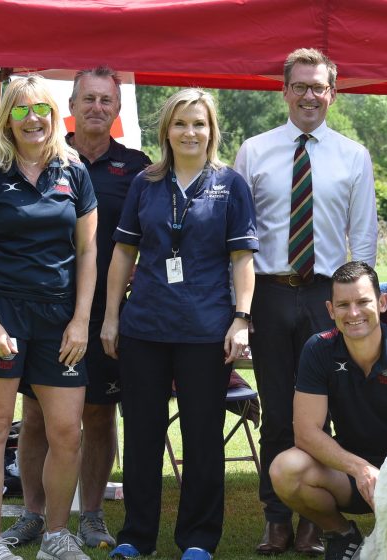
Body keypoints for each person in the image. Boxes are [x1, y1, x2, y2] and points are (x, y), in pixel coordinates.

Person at [100, 88, 257, 560]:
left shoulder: (230, 185)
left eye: (200, 124)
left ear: (212, 131)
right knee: (143, 435)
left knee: (203, 436)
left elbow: (242, 258)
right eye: (181, 123)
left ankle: (198, 539)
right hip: (144, 326)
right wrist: (111, 317)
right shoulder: (145, 183)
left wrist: (241, 319)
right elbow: (124, 252)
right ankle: (136, 536)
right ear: (167, 129)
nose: (191, 132)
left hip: (206, 330)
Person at [233, 47, 378, 556]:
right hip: (270, 295)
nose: (310, 95)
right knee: (276, 411)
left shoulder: (353, 155)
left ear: (332, 94)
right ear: (285, 90)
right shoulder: (253, 151)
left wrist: (358, 307)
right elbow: (239, 240)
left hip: (329, 299)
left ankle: (317, 517)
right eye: (300, 86)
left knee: (325, 413)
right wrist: (242, 311)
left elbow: (362, 241)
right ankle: (276, 518)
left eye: (319, 87)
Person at [1, 66, 150, 552]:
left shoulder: (139, 167)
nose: (97, 108)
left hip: (107, 314)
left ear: (118, 109)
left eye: (106, 100)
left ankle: (90, 514)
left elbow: (148, 241)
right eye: (88, 99)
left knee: (100, 415)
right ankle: (33, 514)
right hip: (41, 311)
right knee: (37, 417)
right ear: (71, 104)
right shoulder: (43, 156)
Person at [0, 74, 98, 560]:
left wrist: (81, 319)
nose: (32, 119)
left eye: (40, 109)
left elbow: (87, 251)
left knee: (66, 430)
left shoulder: (74, 173)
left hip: (59, 320)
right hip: (2, 316)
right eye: (20, 111)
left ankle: (57, 536)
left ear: (54, 115)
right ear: (7, 120)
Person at [269, 261, 387, 560]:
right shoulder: (317, 349)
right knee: (285, 469)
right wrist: (360, 469)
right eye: (343, 304)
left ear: (382, 303)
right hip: (350, 475)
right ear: (331, 310)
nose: (353, 313)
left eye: (363, 302)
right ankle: (342, 534)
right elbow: (305, 432)